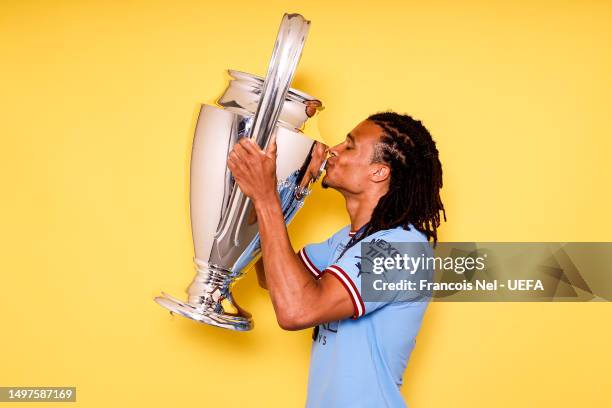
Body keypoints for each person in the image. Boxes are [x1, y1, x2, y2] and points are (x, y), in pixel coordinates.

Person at [227, 111, 446, 407]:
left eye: (350, 145)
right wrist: (286, 192)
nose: (333, 150)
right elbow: (272, 277)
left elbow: (295, 310)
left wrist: (266, 198)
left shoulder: (403, 249)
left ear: (379, 172)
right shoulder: (349, 239)